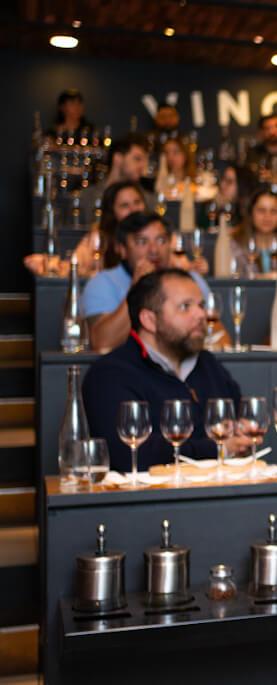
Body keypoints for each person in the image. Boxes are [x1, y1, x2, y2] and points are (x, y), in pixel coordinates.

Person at [81, 268, 249, 472]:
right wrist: (218, 449)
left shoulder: (208, 364)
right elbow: (132, 455)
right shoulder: (109, 374)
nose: (201, 315)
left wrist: (244, 433)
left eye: (201, 306)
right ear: (149, 320)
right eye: (185, 307)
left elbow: (241, 422)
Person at [82, 211, 215, 352]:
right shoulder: (102, 283)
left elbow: (220, 337)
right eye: (142, 242)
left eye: (161, 240)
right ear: (122, 249)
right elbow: (102, 343)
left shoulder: (190, 281)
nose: (154, 250)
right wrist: (137, 288)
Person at [25, 179, 146, 278]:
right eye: (125, 205)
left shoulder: (155, 235)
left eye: (137, 202)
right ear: (112, 211)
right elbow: (72, 267)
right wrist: (47, 263)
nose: (133, 209)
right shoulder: (98, 240)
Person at [244, 114, 277, 178]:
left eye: (276, 126)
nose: (272, 132)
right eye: (268, 128)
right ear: (261, 132)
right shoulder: (253, 155)